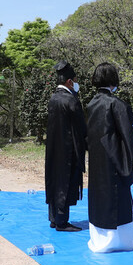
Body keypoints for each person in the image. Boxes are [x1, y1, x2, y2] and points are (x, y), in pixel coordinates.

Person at [84, 63, 133, 253]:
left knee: (100, 197)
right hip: (115, 160)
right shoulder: (117, 104)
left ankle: (99, 239)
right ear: (113, 79)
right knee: (117, 197)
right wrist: (129, 158)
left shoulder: (91, 104)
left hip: (97, 160)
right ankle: (118, 241)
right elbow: (127, 135)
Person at [44, 60, 87, 232]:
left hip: (54, 149)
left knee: (55, 181)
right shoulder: (71, 100)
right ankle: (62, 221)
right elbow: (82, 128)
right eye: (75, 80)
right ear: (70, 82)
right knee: (65, 183)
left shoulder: (53, 98)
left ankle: (54, 218)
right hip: (69, 150)